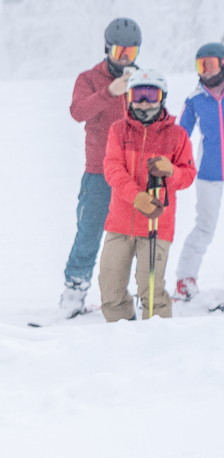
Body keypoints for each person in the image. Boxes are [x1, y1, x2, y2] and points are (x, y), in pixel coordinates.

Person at [96, 69, 196, 322]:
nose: (143, 101)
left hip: (157, 224)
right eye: (137, 94)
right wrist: (136, 197)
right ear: (129, 97)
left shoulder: (177, 135)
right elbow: (113, 169)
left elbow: (187, 175)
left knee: (150, 289)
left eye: (150, 94)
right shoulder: (119, 130)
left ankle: (157, 340)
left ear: (162, 97)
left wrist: (171, 171)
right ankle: (121, 334)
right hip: (120, 222)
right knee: (110, 284)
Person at [60, 18, 142, 318]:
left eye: (131, 53)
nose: (125, 58)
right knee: (89, 231)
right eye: (120, 50)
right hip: (99, 172)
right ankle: (74, 292)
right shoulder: (89, 78)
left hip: (135, 173)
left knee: (136, 236)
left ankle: (139, 292)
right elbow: (77, 111)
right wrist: (110, 91)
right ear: (107, 47)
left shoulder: (143, 78)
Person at [173, 42, 224, 301]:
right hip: (209, 175)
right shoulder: (194, 100)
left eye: (211, 65)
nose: (205, 71)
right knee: (205, 226)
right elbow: (180, 135)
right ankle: (185, 278)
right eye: (201, 66)